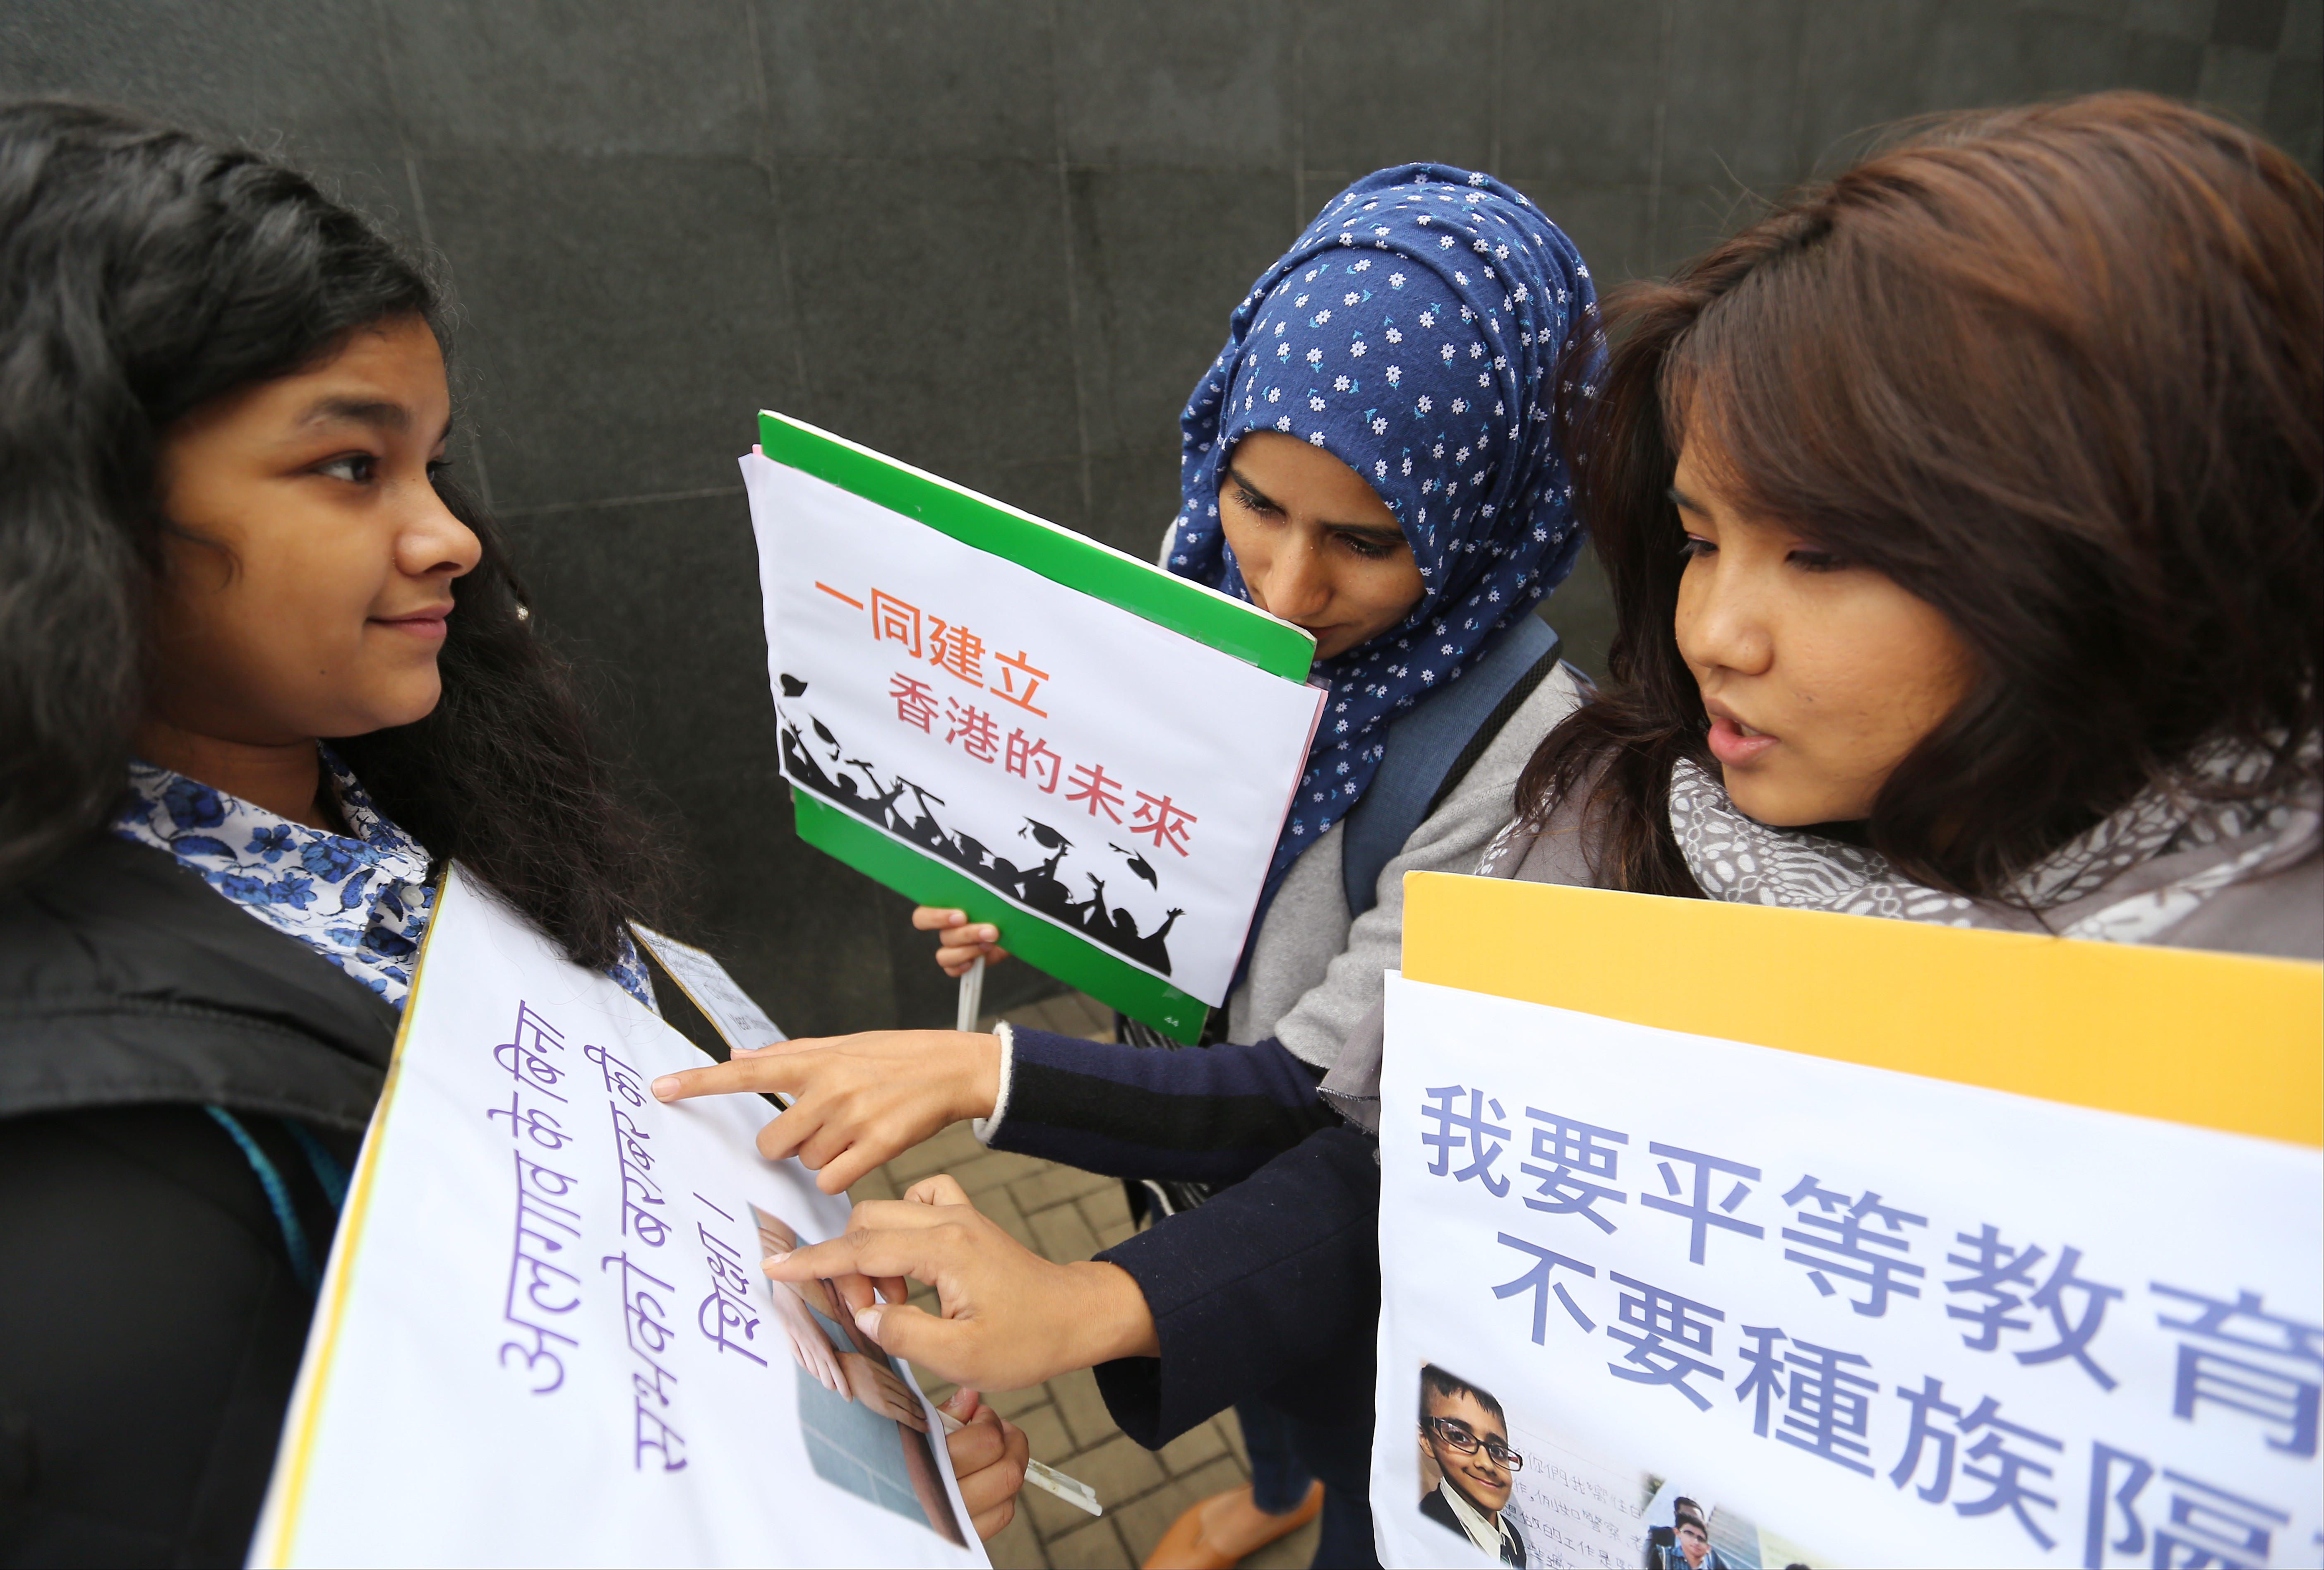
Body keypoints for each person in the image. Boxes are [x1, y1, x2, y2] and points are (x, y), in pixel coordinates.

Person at [673, 87, 2318, 1568]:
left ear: (2119, 555)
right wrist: (1053, 956)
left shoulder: (2252, 1027)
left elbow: (1327, 1096)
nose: (1714, 635)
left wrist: (1002, 1090)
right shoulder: (1635, 796)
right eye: (1696, 541)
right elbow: (1433, 1152)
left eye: (1822, 556)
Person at [0, 101, 1027, 1564]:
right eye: (353, 467)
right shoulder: (98, 1165)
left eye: (430, 461)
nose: (452, 535)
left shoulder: (411, 789)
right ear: (74, 508)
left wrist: (871, 1461)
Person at [663, 162, 1599, 1569]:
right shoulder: (1192, 589)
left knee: (1372, 1454)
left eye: (1365, 540)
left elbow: (1320, 1095)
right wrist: (1025, 901)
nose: (1283, 591)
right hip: (1184, 1176)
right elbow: (1157, 870)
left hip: (1362, 1238)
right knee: (1269, 1391)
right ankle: (1275, 1484)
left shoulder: (1543, 770)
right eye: (1255, 499)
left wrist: (987, 1077)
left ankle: (1328, 1506)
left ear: (1488, 501)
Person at [1416, 1365, 1528, 1567]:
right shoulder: (1423, 1534)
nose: (1486, 1463)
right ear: (1426, 1438)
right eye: (1460, 1437)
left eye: (1498, 1451)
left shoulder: (1513, 1539)